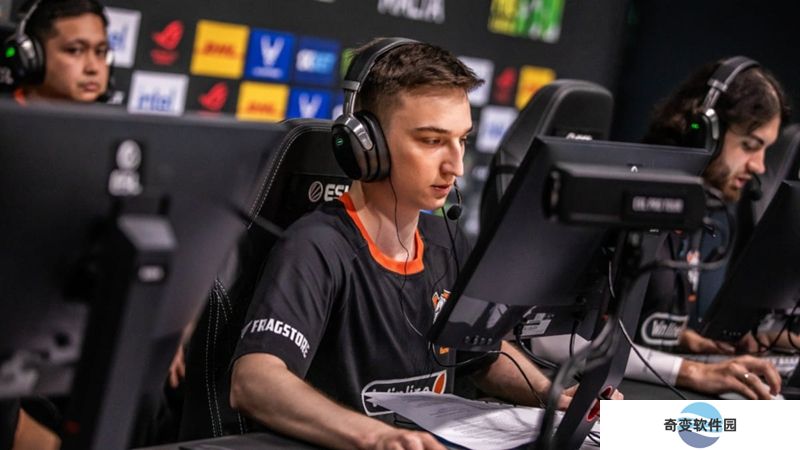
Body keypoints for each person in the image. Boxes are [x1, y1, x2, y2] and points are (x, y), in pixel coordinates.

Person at [229, 38, 619, 450]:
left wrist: (554, 396)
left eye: (462, 140)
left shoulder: (445, 241)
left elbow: (481, 355)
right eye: (432, 141)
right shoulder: (318, 246)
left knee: (649, 437)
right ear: (367, 144)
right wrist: (378, 437)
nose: (456, 166)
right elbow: (254, 381)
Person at [633, 56, 790, 398]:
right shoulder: (627, 200)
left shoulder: (701, 209)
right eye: (750, 146)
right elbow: (557, 339)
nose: (760, 166)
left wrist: (689, 341)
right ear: (705, 133)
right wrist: (692, 371)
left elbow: (639, 326)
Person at [3, 0, 110, 103]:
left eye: (100, 52)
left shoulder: (111, 114)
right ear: (31, 58)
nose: (93, 68)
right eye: (74, 50)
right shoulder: (6, 113)